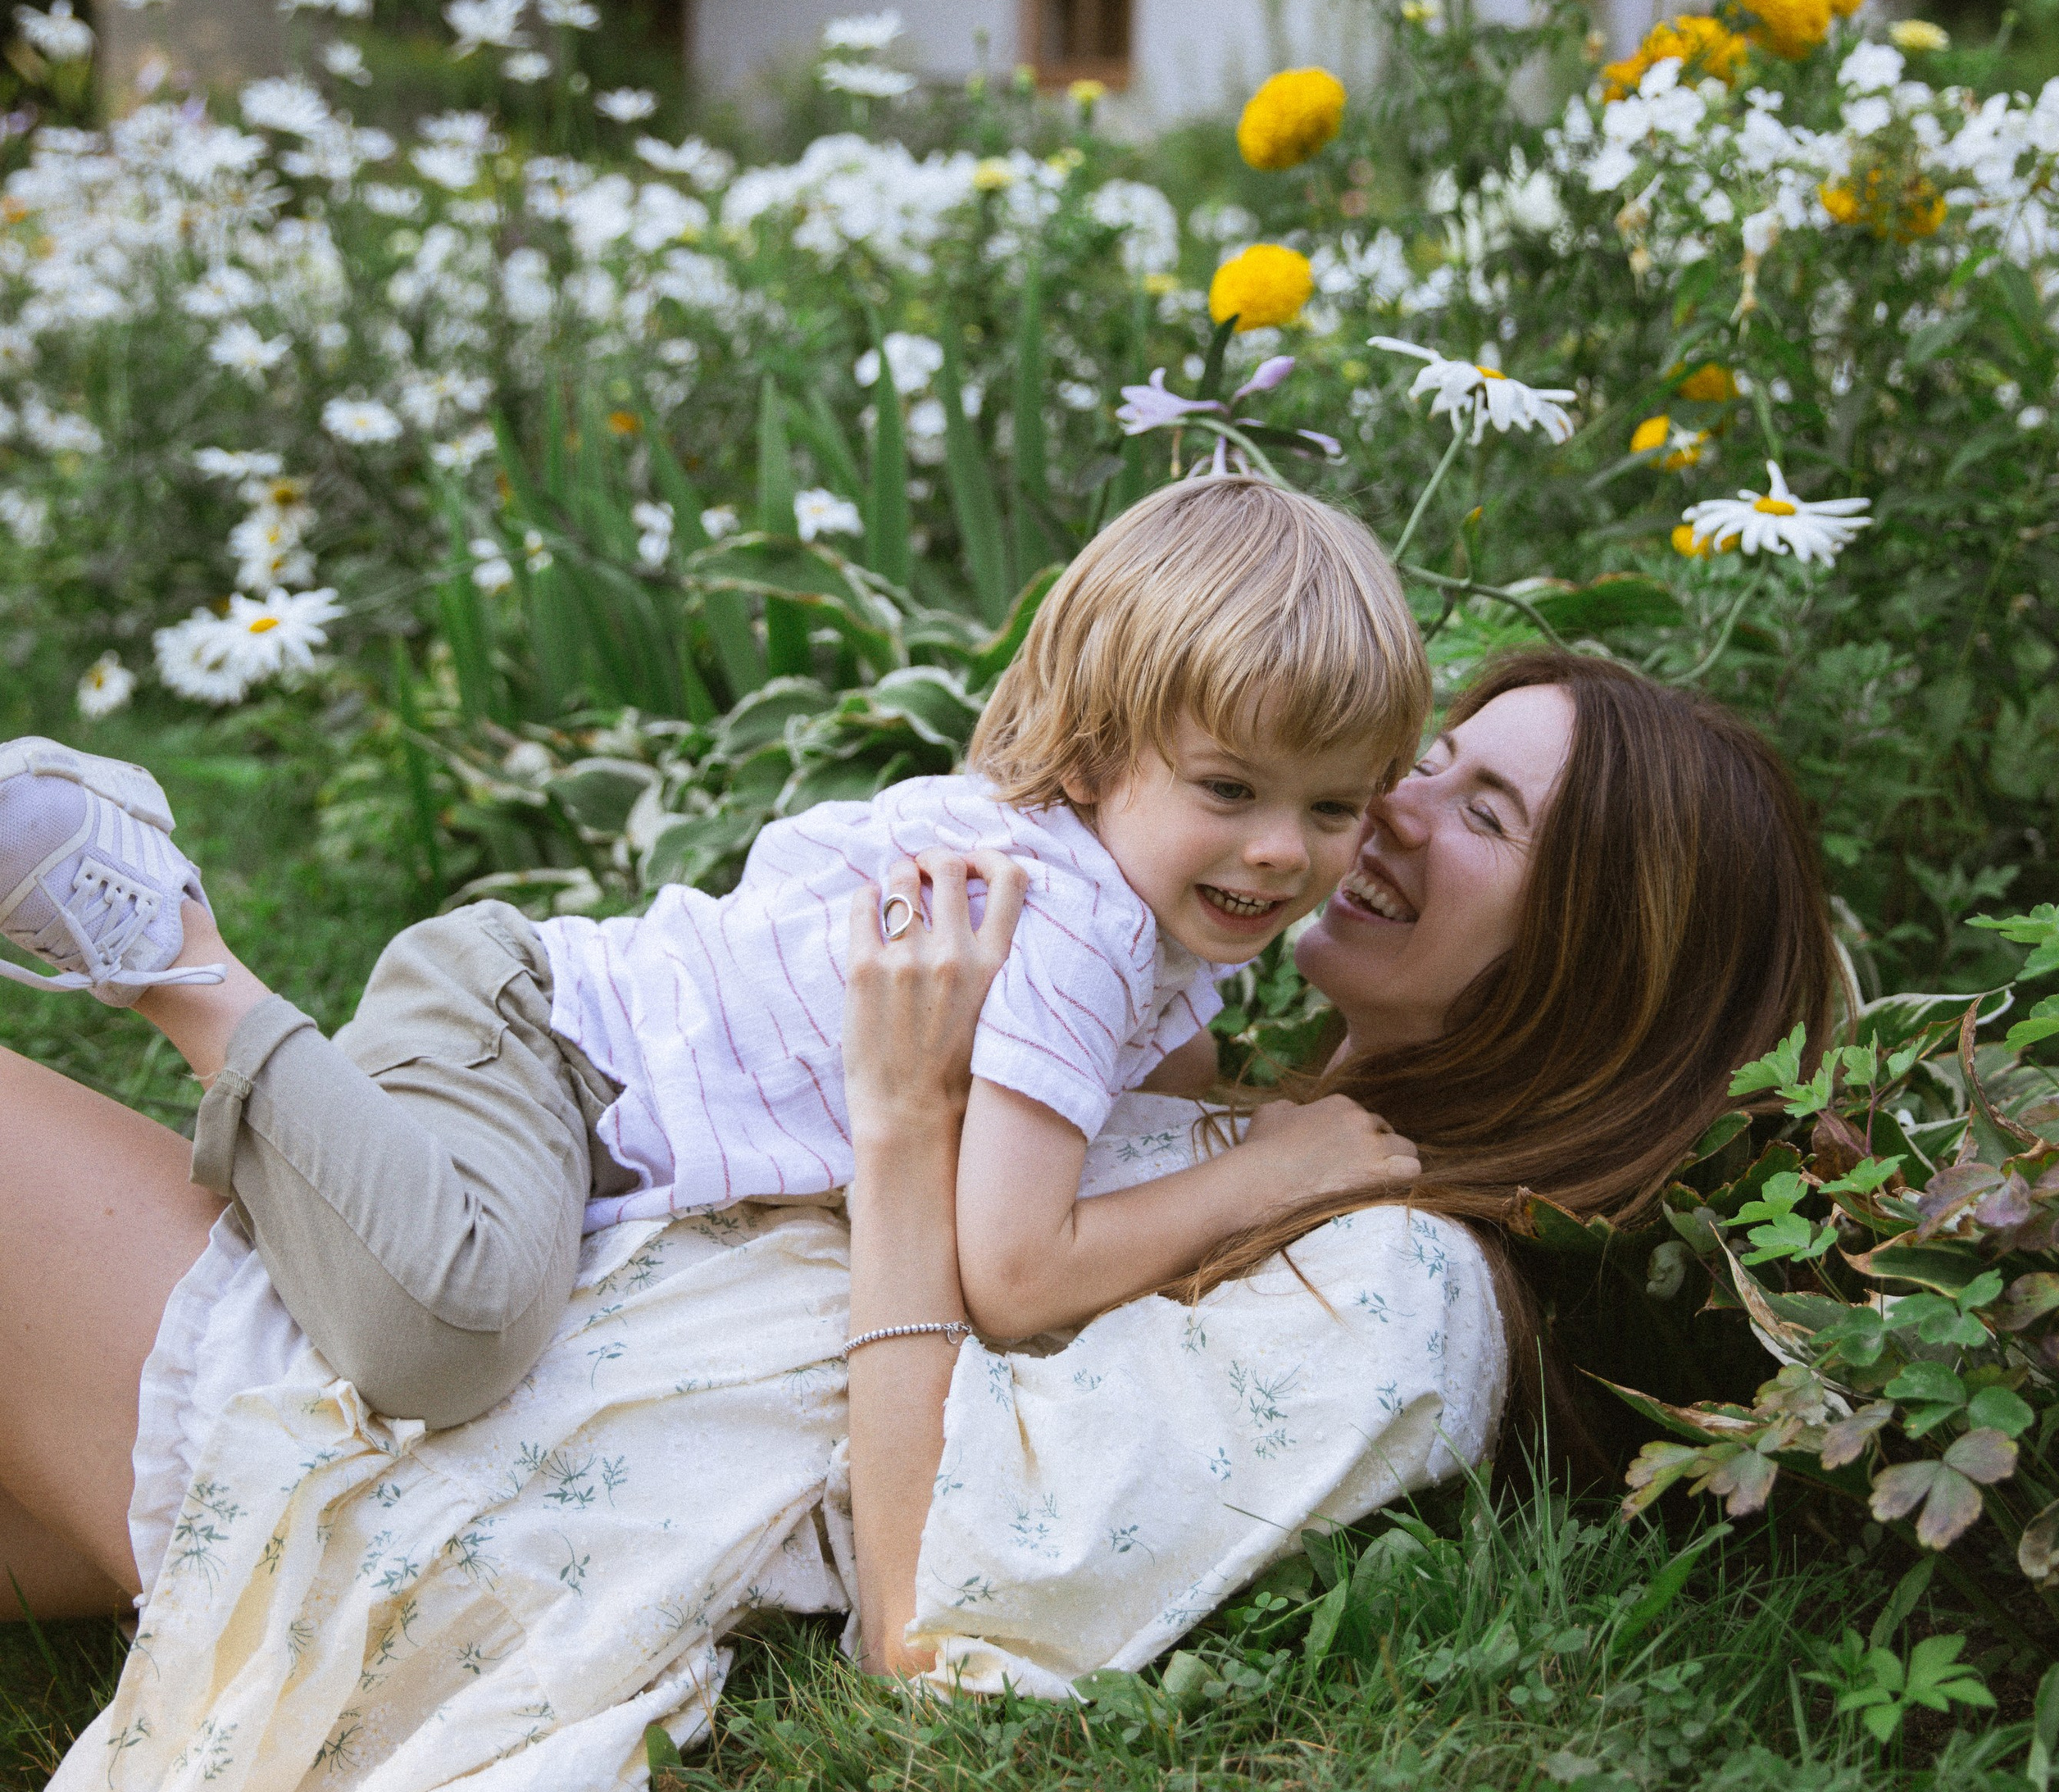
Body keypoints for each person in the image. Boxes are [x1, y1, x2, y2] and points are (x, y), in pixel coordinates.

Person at [6, 647, 1837, 1792]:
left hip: (395, 1419)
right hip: (458, 1282)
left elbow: (933, 1596)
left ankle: (157, 933)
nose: (1393, 811)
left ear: (1588, 964)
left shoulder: (1409, 1294)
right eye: (1429, 764)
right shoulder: (1227, 1070)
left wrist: (902, 1123)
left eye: (1488, 817)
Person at [0, 479, 1425, 1428]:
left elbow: (1151, 1105)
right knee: (451, 1337)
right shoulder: (1079, 922)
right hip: (537, 1043)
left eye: (1335, 807)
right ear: (1108, 751)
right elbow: (1016, 1273)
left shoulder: (1160, 905)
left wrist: (1255, 1117)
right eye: (1231, 791)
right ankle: (174, 952)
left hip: (569, 1064)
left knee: (371, 1294)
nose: (1281, 855)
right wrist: (1277, 1168)